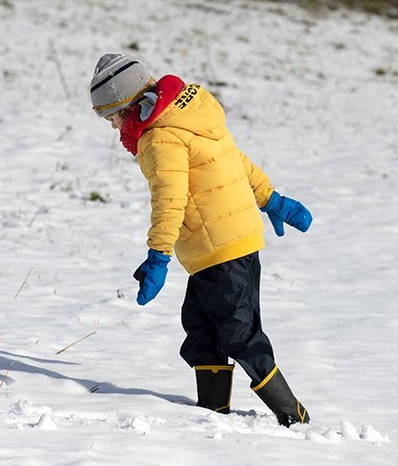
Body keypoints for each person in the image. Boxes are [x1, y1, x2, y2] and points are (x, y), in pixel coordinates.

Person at [89, 53, 313, 427]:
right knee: (201, 326)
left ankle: (292, 414)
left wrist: (158, 255)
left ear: (127, 106)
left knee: (239, 333)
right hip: (216, 246)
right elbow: (233, 159)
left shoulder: (160, 138)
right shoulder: (187, 116)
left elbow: (169, 201)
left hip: (222, 247)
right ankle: (213, 409)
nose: (112, 126)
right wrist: (270, 199)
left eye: (110, 116)